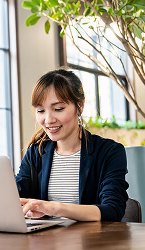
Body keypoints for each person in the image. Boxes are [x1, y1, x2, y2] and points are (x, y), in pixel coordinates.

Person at [15, 68, 129, 222]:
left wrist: (54, 207)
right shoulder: (36, 153)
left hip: (92, 242)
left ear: (80, 106)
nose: (48, 120)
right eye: (40, 110)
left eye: (58, 109)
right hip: (47, 242)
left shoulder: (109, 152)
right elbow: (15, 196)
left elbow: (112, 209)